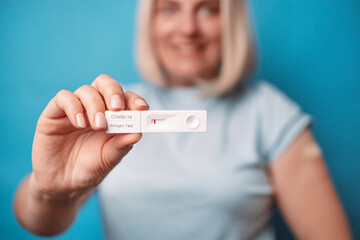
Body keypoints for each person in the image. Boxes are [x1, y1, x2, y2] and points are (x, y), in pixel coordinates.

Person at [14, 0, 353, 239]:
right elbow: (39, 223)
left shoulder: (269, 111)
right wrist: (50, 190)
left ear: (229, 20)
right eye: (170, 8)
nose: (188, 29)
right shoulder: (112, 111)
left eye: (207, 9)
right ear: (151, 21)